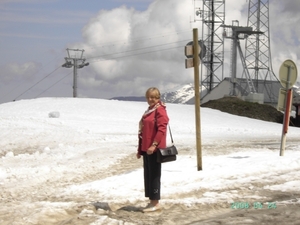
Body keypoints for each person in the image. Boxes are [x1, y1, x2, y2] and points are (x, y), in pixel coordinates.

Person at [137, 87, 169, 213]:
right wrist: (140, 149)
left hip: (154, 149)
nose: (151, 99)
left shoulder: (160, 110)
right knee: (148, 175)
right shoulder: (150, 110)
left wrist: (154, 145)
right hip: (146, 148)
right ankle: (152, 201)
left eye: (153, 97)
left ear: (158, 98)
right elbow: (143, 131)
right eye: (149, 97)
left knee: (154, 175)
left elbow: (162, 129)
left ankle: (155, 203)